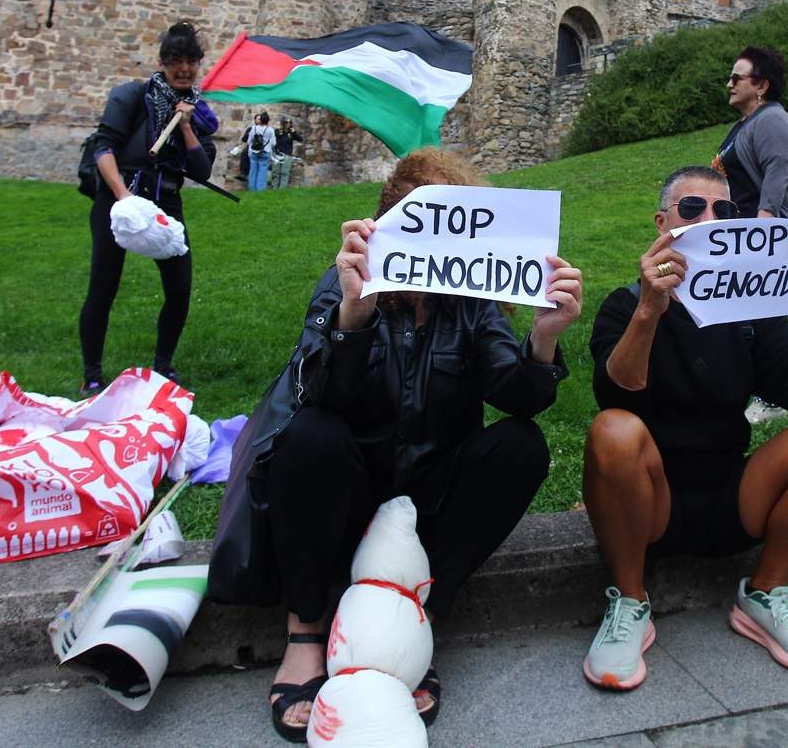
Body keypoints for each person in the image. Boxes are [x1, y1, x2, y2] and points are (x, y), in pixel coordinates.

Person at [207, 149, 583, 740]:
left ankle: (416, 623)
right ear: (392, 218)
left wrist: (542, 339)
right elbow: (317, 392)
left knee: (522, 445)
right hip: (350, 488)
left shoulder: (471, 298)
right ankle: (305, 631)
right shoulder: (347, 280)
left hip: (427, 495)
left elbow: (518, 397)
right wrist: (353, 317)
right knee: (311, 434)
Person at [582, 165, 788, 687]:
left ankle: (767, 591)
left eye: (725, 211)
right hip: (651, 499)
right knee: (613, 430)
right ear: (661, 221)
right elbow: (615, 394)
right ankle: (628, 600)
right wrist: (650, 310)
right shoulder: (626, 303)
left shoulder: (750, 306)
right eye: (693, 209)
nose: (710, 220)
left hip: (733, 493)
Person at [78, 22, 219, 394]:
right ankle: (92, 373)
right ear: (163, 63)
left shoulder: (199, 113)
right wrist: (123, 197)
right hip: (119, 199)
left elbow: (201, 169)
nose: (184, 69)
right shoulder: (132, 97)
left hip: (165, 201)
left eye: (191, 61)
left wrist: (187, 127)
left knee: (180, 287)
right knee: (103, 286)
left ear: (199, 64)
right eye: (176, 61)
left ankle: (163, 364)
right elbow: (103, 148)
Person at [712, 46, 788, 219]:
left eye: (737, 78)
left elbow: (776, 173)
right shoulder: (745, 124)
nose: (729, 84)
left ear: (761, 86)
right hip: (743, 233)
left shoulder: (772, 119)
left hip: (766, 237)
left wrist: (763, 228)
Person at [245, 112, 276, 192]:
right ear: (268, 120)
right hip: (265, 151)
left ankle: (252, 189)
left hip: (254, 151)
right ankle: (260, 190)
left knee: (253, 171)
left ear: (261, 120)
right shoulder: (270, 130)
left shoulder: (254, 128)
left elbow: (249, 141)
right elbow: (273, 143)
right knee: (262, 171)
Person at [271, 117, 303, 189]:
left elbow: (300, 139)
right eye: (286, 122)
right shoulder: (278, 131)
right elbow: (273, 139)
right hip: (277, 155)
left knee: (284, 173)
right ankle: (274, 188)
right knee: (276, 173)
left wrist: (294, 132)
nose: (288, 124)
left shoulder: (291, 133)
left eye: (289, 123)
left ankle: (282, 189)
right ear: (283, 123)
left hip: (287, 155)